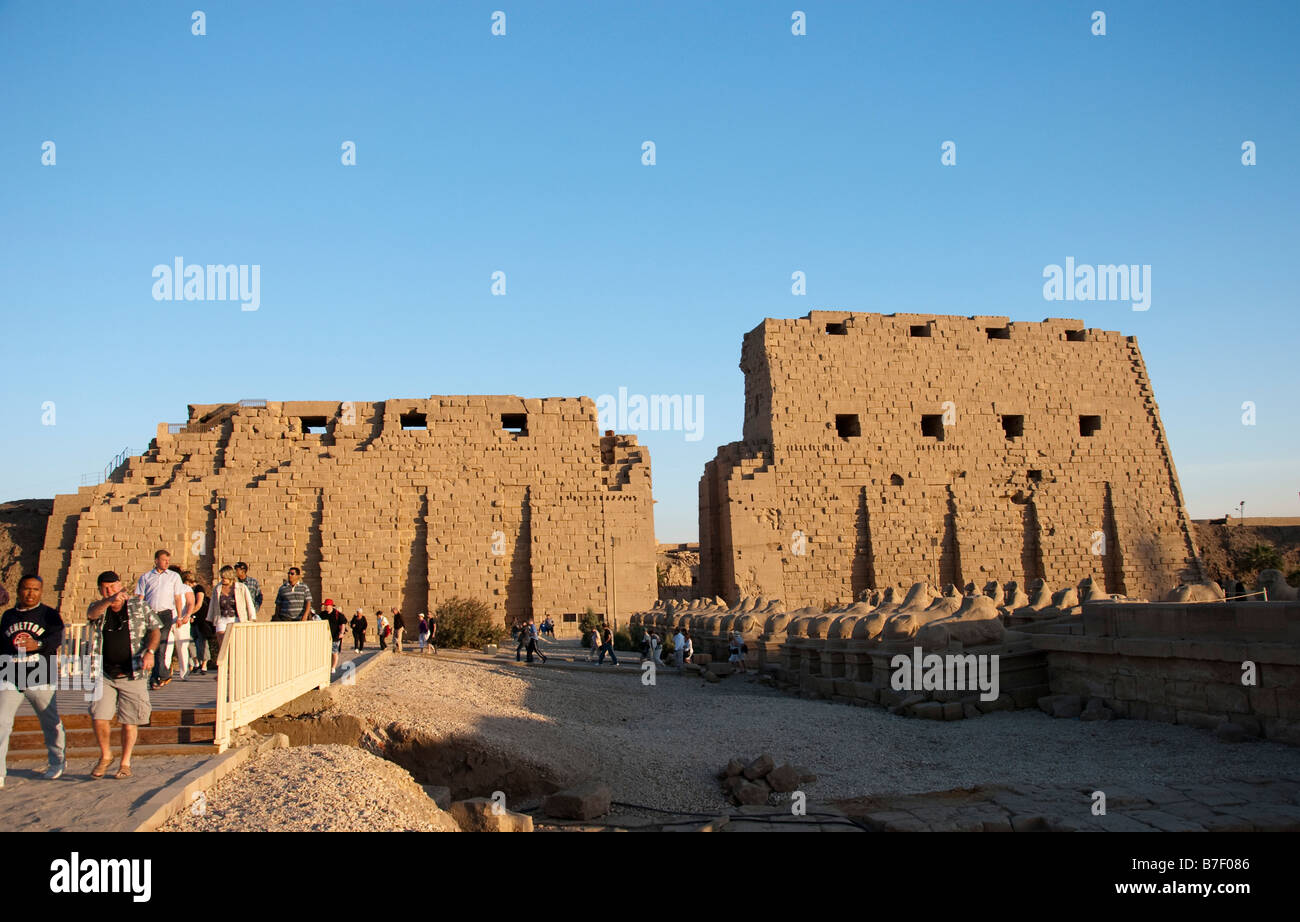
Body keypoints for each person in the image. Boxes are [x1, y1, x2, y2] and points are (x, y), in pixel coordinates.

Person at [85, 570, 163, 779]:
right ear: (101, 589)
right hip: (105, 672)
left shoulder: (138, 606)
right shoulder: (99, 608)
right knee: (99, 715)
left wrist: (150, 651)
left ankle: (125, 762)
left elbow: (155, 629)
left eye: (113, 586)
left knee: (130, 720)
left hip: (133, 671)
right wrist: (109, 600)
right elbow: (92, 614)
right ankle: (105, 755)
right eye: (105, 588)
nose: (110, 590)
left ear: (121, 585)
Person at [0, 574, 66, 786]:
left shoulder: (49, 614)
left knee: (50, 722)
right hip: (10, 674)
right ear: (19, 590)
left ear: (41, 591)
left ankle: (57, 761)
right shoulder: (8, 616)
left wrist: (37, 645)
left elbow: (56, 638)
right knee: (1, 723)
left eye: (36, 589)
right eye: (27, 589)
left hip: (40, 675)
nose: (31, 593)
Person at [137, 549, 186, 689]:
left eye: (168, 561)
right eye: (164, 560)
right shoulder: (146, 577)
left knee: (161, 644)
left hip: (165, 614)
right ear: (156, 560)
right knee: (151, 644)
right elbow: (140, 597)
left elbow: (177, 597)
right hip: (150, 613)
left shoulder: (174, 577)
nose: (166, 563)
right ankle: (162, 674)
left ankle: (156, 677)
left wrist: (179, 616)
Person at [207, 566, 257, 663]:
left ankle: (234, 665)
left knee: (234, 645)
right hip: (221, 618)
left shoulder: (241, 587)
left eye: (224, 578)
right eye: (221, 577)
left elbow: (249, 602)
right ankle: (224, 667)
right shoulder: (218, 588)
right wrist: (210, 617)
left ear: (230, 577)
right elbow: (213, 603)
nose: (222, 580)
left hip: (236, 619)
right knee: (222, 645)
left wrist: (252, 617)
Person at [164, 565, 194, 680]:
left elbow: (191, 602)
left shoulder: (185, 588)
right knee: (166, 647)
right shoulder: (165, 588)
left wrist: (187, 615)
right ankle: (165, 673)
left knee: (182, 647)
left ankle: (184, 672)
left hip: (181, 621)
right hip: (168, 620)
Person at [186, 572, 213, 674]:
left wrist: (189, 614)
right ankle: (196, 662)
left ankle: (204, 664)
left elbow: (199, 604)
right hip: (191, 619)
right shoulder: (185, 590)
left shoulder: (198, 588)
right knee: (190, 641)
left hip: (201, 618)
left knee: (202, 641)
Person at [321, 599, 348, 671]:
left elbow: (343, 624)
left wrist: (341, 633)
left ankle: (333, 667)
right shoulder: (322, 614)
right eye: (325, 605)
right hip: (325, 636)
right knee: (326, 652)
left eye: (327, 605)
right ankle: (327, 665)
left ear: (331, 606)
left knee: (334, 652)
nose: (326, 607)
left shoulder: (338, 614)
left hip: (335, 636)